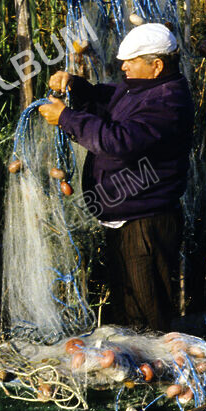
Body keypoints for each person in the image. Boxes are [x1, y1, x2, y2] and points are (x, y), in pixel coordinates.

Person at [38, 23, 193, 331]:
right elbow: (107, 102)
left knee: (148, 313)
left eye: (131, 62)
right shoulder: (139, 86)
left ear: (156, 66)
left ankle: (158, 372)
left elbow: (118, 141)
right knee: (126, 307)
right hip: (125, 216)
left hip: (146, 221)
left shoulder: (168, 102)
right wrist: (76, 85)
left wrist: (66, 118)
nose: (123, 67)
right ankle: (134, 371)